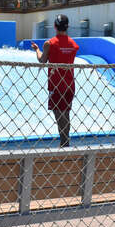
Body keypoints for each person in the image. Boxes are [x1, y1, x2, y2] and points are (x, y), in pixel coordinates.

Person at [32, 14, 79, 147]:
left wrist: (36, 50)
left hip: (56, 85)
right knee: (66, 113)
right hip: (70, 84)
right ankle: (66, 142)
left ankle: (64, 143)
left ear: (54, 26)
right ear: (67, 26)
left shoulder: (49, 43)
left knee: (59, 115)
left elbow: (42, 61)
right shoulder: (74, 45)